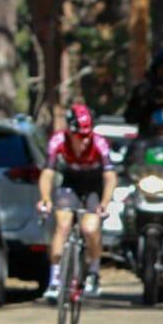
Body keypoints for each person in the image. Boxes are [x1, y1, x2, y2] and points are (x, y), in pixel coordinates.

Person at [38, 104, 116, 301]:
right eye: (80, 135)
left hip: (94, 186)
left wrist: (105, 202)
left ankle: (94, 272)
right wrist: (45, 198)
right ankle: (55, 278)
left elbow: (110, 176)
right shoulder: (58, 140)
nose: (85, 139)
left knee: (90, 228)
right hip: (70, 183)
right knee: (62, 225)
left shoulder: (100, 143)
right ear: (70, 132)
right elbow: (47, 173)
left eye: (88, 134)